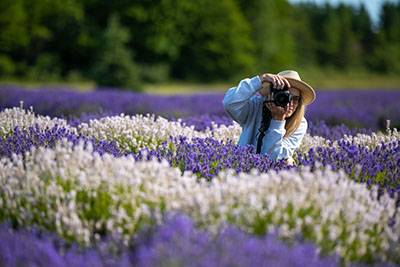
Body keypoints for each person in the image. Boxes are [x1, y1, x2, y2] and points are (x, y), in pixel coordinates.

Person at [222, 70, 316, 165]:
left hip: (270, 175)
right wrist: (260, 80)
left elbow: (272, 158)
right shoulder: (256, 106)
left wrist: (278, 120)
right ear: (272, 94)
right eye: (284, 96)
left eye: (295, 98)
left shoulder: (299, 124)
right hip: (241, 167)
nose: (289, 102)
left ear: (300, 101)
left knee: (288, 162)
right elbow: (229, 103)